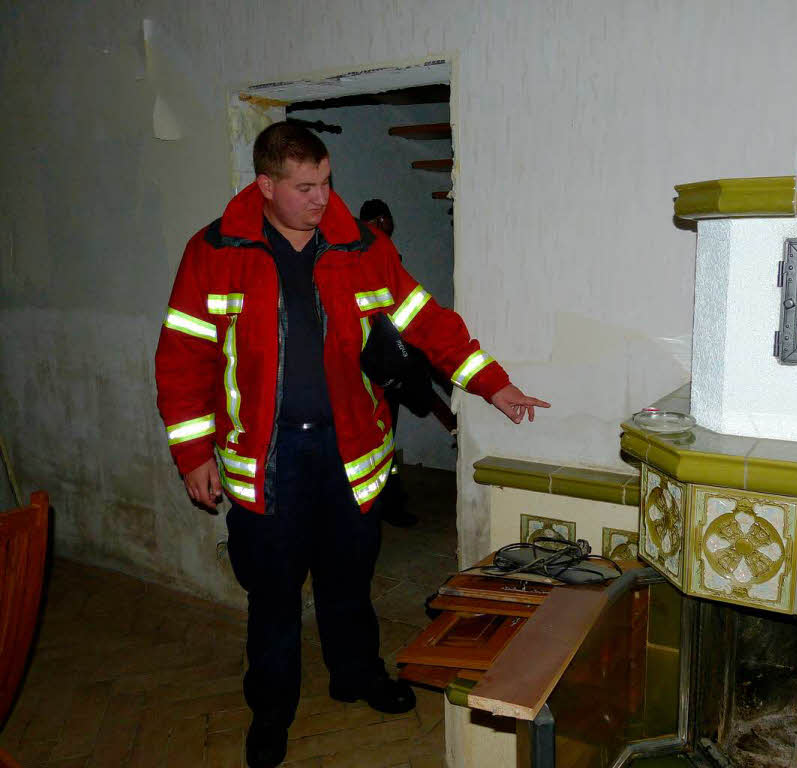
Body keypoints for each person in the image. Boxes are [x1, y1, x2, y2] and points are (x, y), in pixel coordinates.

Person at [154, 121, 549, 768]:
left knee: (349, 583)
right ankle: (271, 711)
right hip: (266, 464)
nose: (321, 198)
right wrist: (193, 453)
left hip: (351, 459)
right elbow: (181, 359)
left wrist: (492, 385)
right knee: (274, 599)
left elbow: (428, 321)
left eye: (327, 181)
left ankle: (356, 674)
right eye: (305, 187)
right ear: (265, 186)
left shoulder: (361, 247)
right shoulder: (214, 250)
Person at [357, 198, 458, 528]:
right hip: (384, 363)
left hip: (369, 364)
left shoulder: (351, 247)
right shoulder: (378, 246)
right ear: (384, 219)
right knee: (386, 437)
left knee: (383, 436)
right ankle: (389, 505)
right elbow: (397, 311)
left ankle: (386, 502)